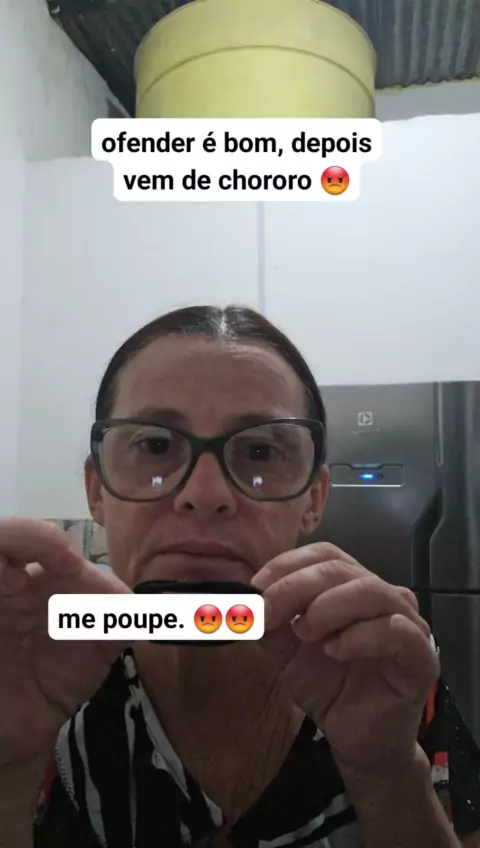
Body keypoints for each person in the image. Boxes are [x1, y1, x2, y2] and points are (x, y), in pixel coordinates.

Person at [1, 305, 480, 848]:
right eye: (155, 446)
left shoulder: (383, 668)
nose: (204, 494)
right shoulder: (24, 670)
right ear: (96, 491)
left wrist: (387, 770)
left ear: (313, 498)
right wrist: (9, 768)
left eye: (259, 451)